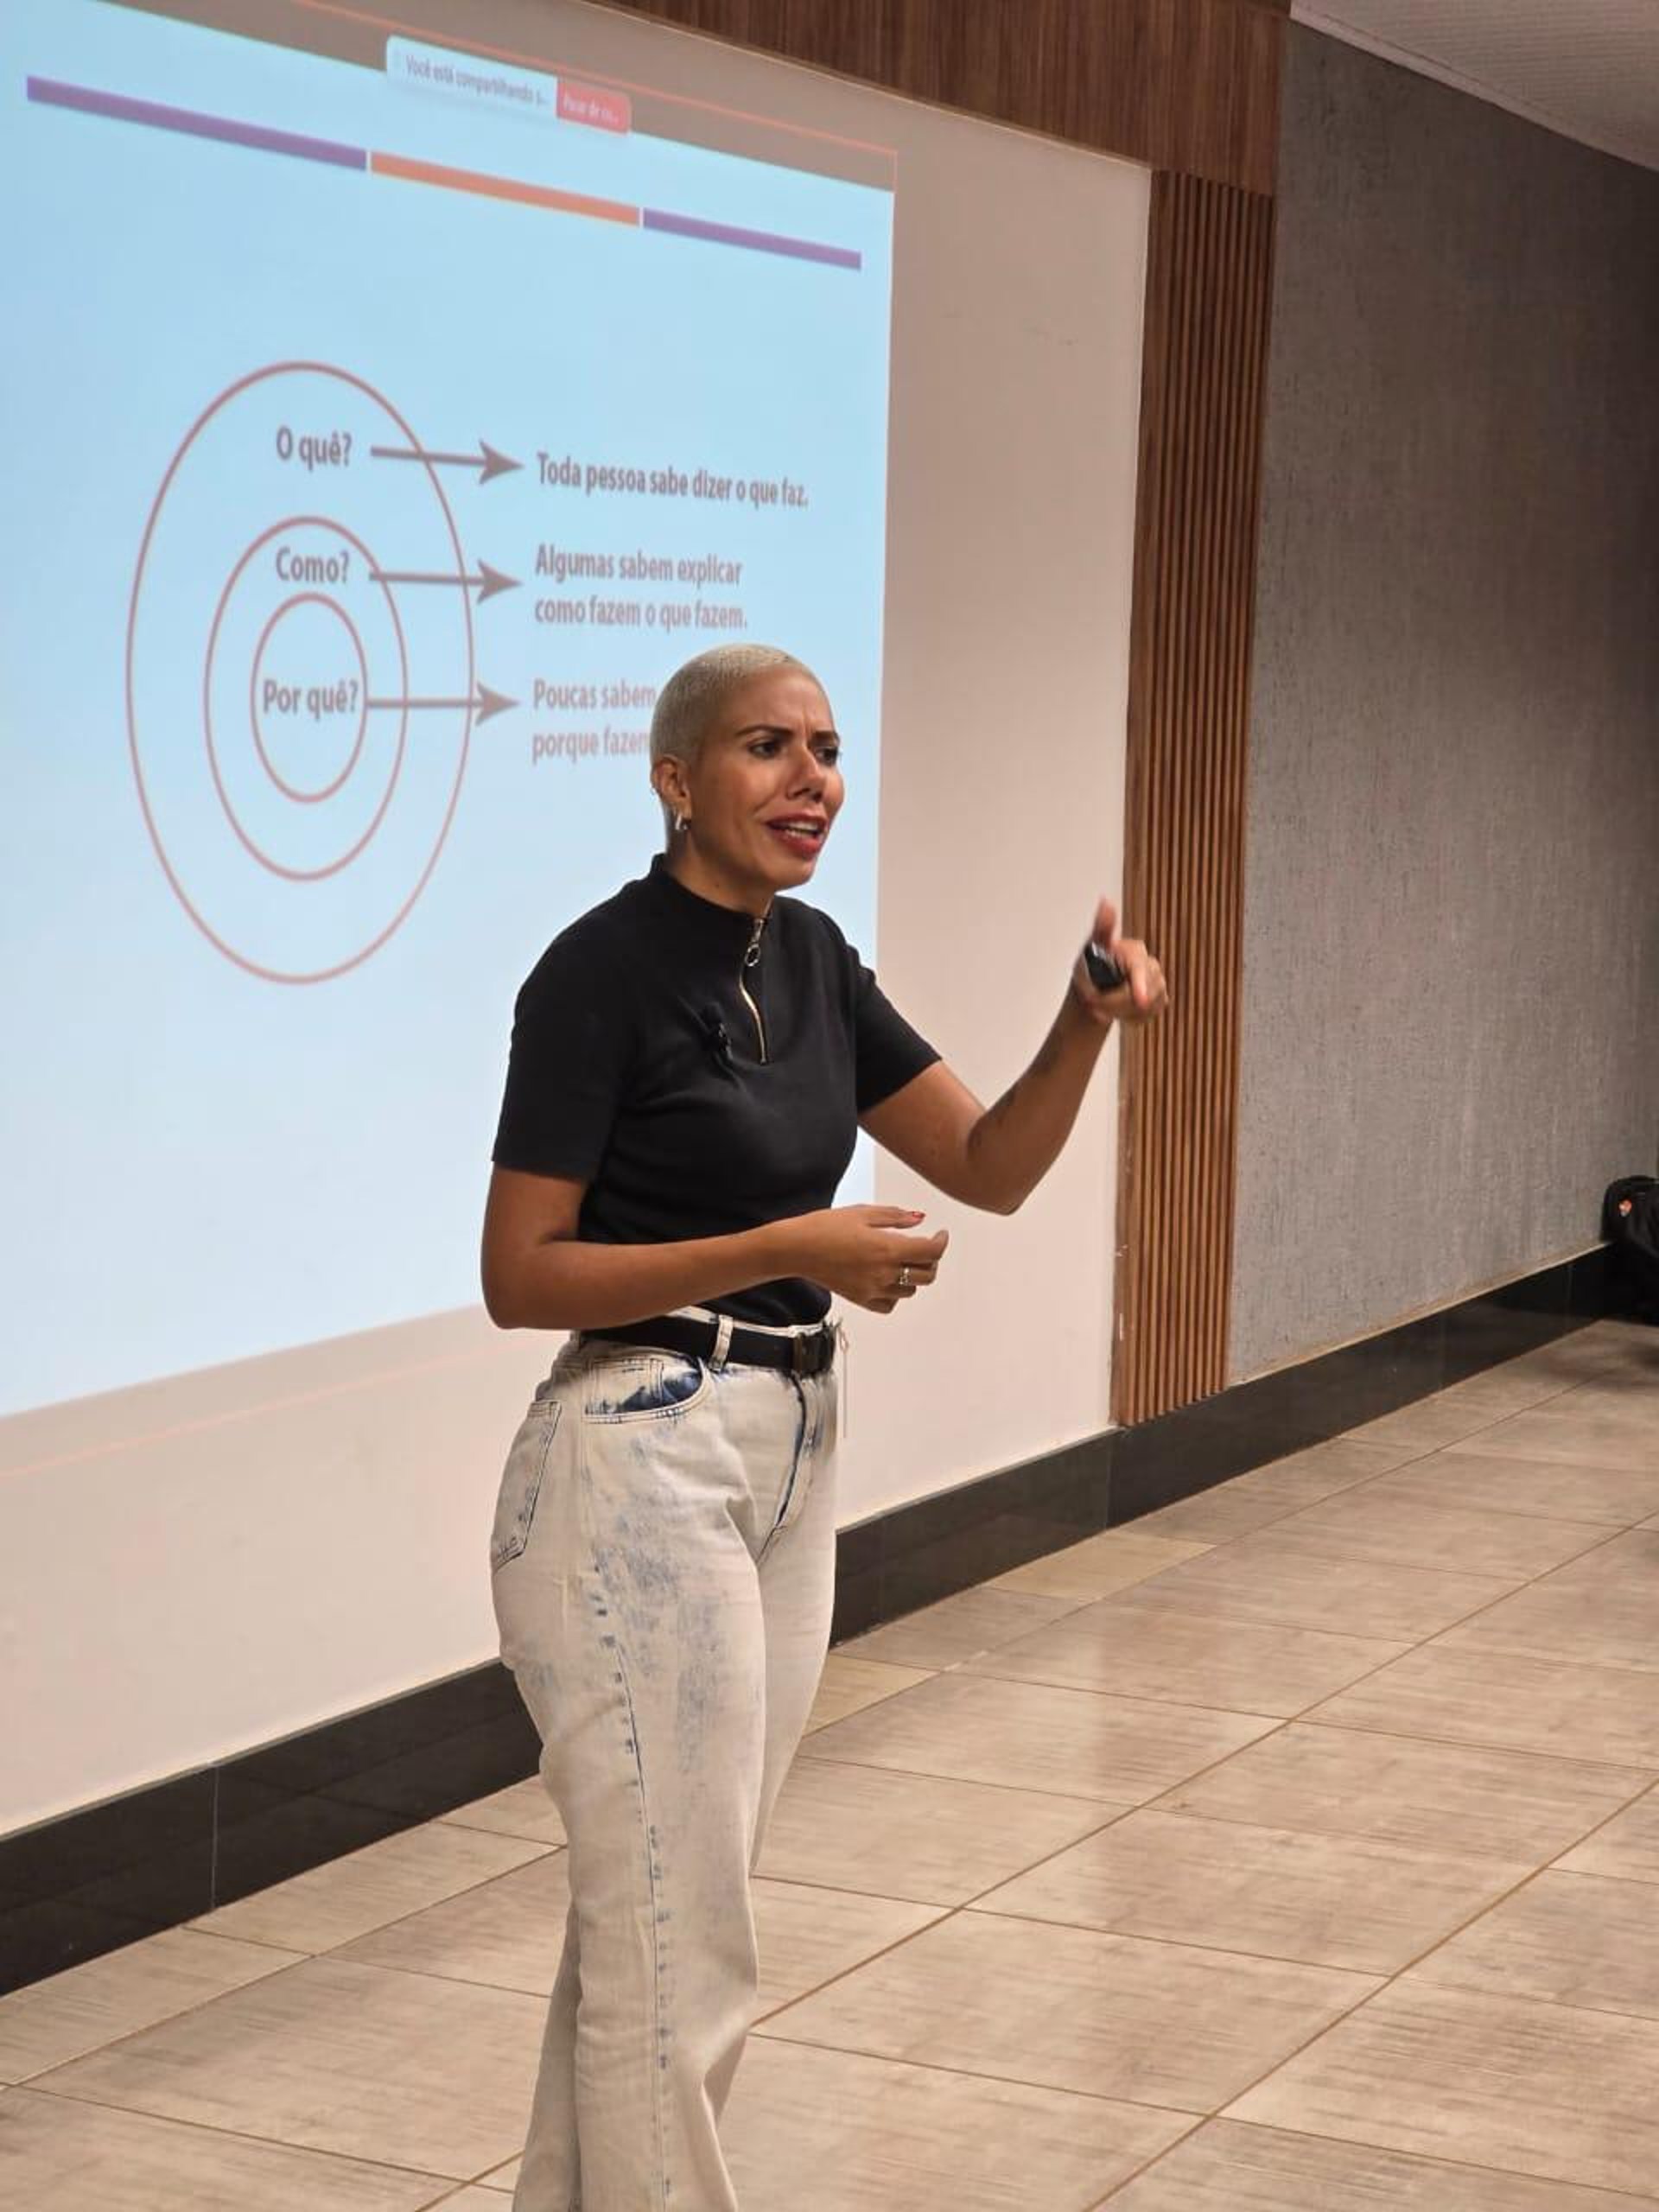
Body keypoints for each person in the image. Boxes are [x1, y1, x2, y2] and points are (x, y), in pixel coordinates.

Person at [481, 642, 1166, 2212]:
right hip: (633, 1462)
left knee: (657, 1923)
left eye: (829, 749)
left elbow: (988, 1164)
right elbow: (520, 1275)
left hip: (787, 1456)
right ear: (675, 781)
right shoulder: (597, 972)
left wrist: (1086, 1024)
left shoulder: (809, 956)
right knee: (682, 1937)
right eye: (767, 750)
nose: (813, 781)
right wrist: (792, 1245)